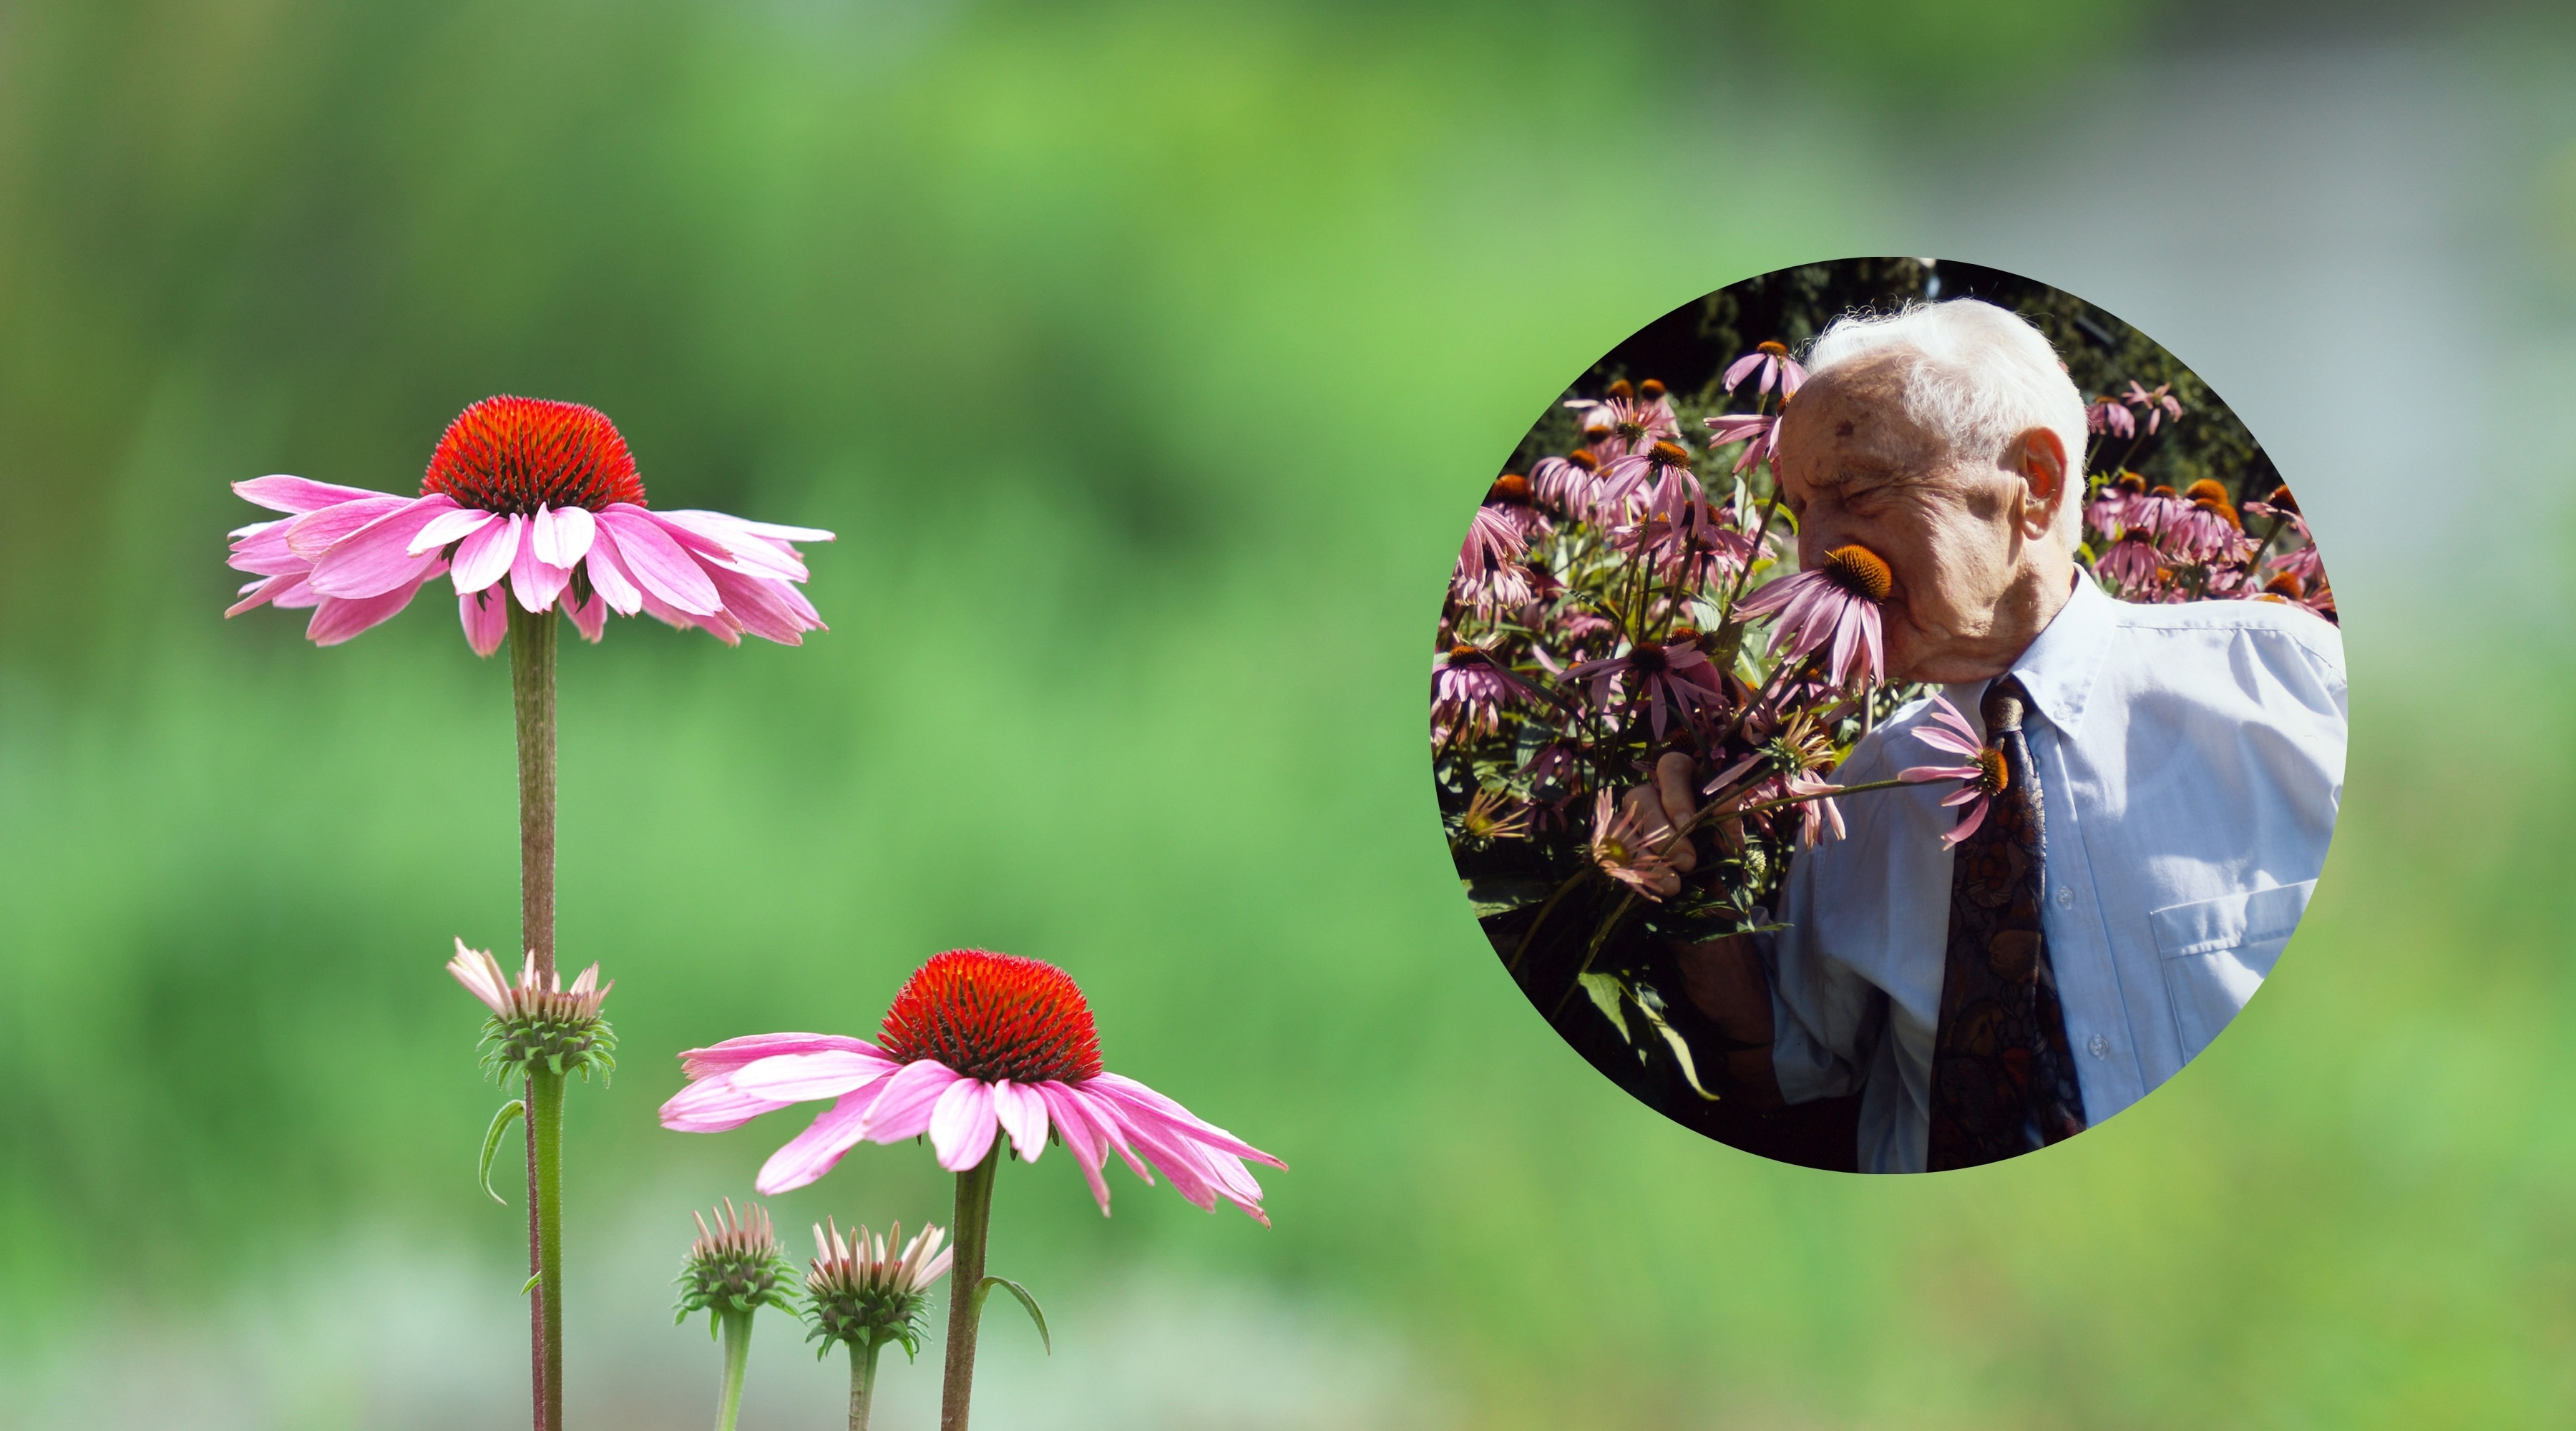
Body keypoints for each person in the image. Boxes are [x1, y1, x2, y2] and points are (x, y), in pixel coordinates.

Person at [1652, 299, 2346, 1173]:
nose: (1815, 554)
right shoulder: (1865, 790)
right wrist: (1689, 880)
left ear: (2034, 484)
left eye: (1857, 490)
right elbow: (1790, 1066)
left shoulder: (2294, 690)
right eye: (1795, 512)